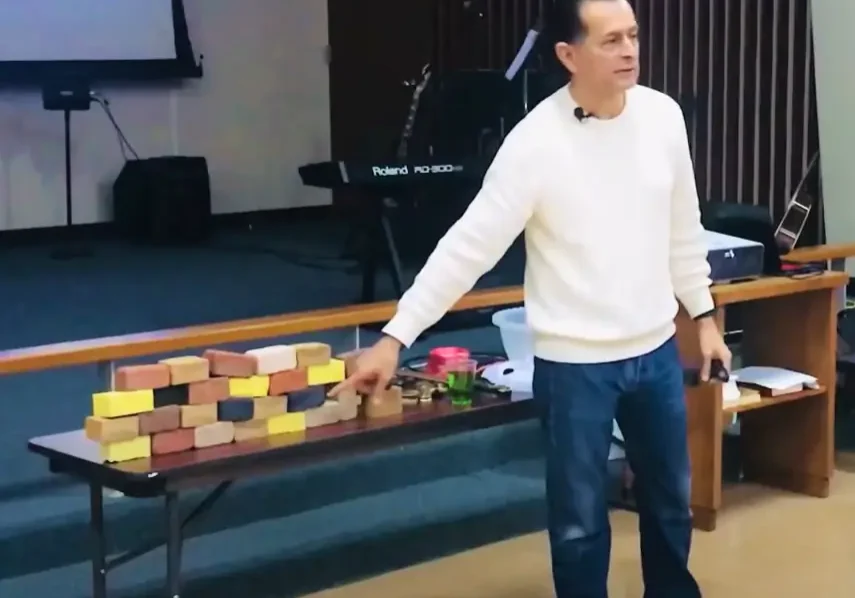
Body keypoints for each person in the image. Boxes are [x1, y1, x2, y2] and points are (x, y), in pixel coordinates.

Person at [331, 0, 731, 595]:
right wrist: (396, 338)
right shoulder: (535, 143)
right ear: (568, 55)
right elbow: (468, 248)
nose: (629, 51)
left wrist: (703, 317)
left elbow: (683, 227)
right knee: (577, 525)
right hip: (574, 365)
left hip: (654, 352)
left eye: (634, 36)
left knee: (671, 501)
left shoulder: (662, 117)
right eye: (611, 40)